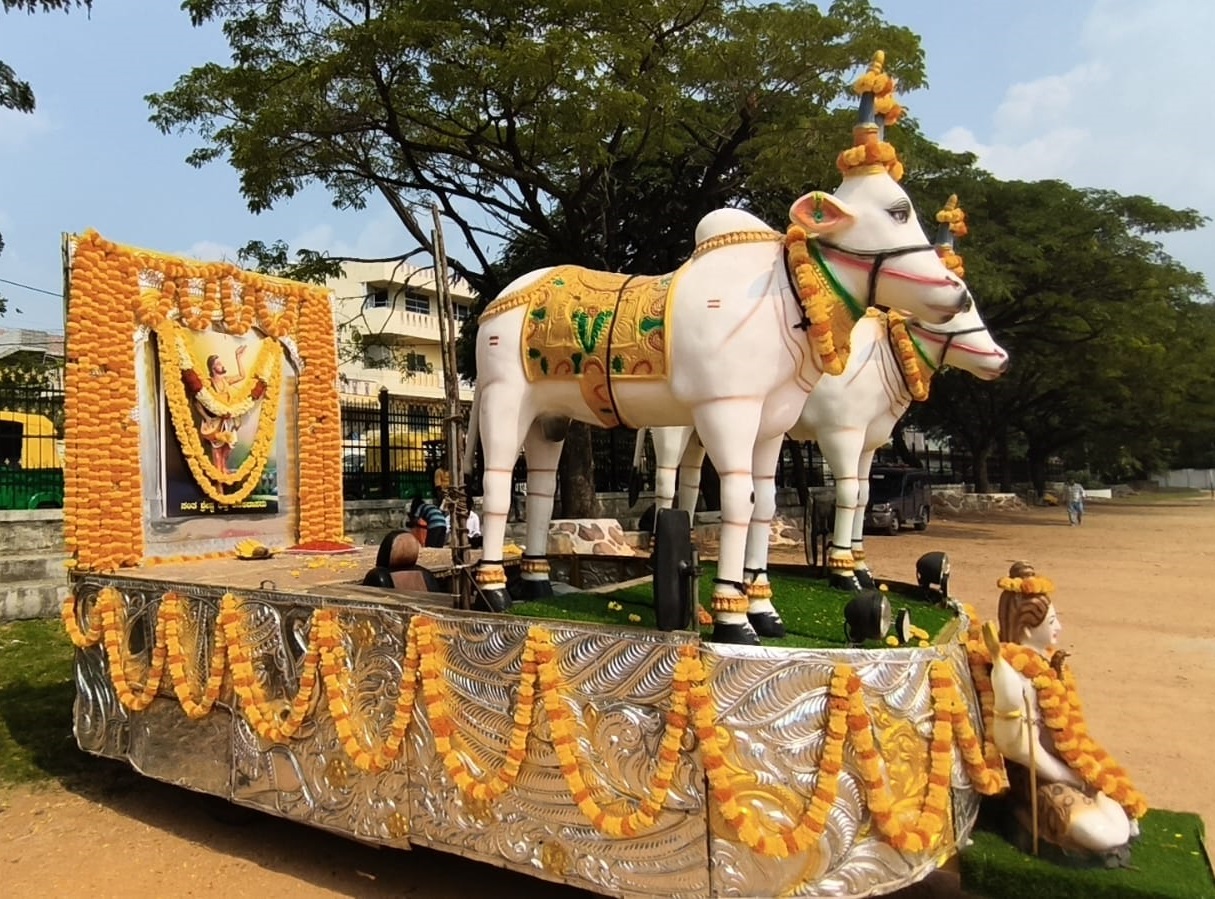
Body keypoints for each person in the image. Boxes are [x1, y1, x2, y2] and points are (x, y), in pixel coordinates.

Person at [986, 565, 1141, 863]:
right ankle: (1024, 817)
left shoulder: (1047, 666)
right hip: (1034, 775)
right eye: (1053, 621)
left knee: (1118, 815)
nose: (1059, 628)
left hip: (1064, 765)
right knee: (1101, 833)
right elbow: (1016, 747)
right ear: (1029, 628)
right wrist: (1069, 777)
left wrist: (1081, 774)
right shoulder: (1012, 675)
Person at [197, 345, 248, 475]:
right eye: (219, 364)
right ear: (213, 368)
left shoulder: (226, 380)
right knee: (217, 447)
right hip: (214, 421)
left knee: (230, 444)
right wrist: (206, 417)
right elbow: (197, 402)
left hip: (228, 420)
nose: (222, 365)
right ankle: (218, 474)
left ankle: (223, 468)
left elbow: (242, 375)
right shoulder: (209, 383)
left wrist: (238, 357)